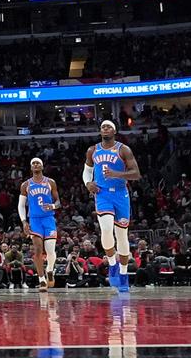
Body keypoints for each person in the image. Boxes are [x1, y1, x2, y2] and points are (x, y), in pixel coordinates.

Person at [83, 120, 140, 293]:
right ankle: (112, 264)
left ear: (114, 130)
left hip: (121, 194)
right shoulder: (93, 150)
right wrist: (88, 183)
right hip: (103, 194)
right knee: (106, 229)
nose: (105, 129)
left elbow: (136, 174)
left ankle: (123, 274)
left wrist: (117, 173)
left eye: (108, 127)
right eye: (102, 127)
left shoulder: (123, 149)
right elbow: (87, 171)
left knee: (122, 236)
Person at [19, 157, 60, 290]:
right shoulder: (26, 185)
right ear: (31, 168)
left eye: (38, 163)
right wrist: (24, 221)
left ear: (42, 167)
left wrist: (52, 206)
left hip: (48, 219)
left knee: (50, 251)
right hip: (34, 220)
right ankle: (41, 279)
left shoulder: (51, 182)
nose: (35, 165)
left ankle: (49, 269)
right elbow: (21, 205)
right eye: (33, 163)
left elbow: (58, 202)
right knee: (37, 249)